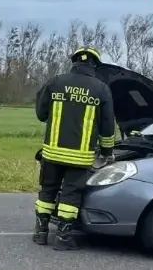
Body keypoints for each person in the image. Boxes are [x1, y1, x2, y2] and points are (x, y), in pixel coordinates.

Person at [32, 47, 117, 250]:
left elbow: (41, 114)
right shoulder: (101, 88)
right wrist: (107, 152)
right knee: (70, 196)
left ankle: (41, 233)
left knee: (48, 191)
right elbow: (107, 127)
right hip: (80, 157)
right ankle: (63, 238)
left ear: (74, 62)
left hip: (52, 152)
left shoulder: (56, 82)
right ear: (94, 65)